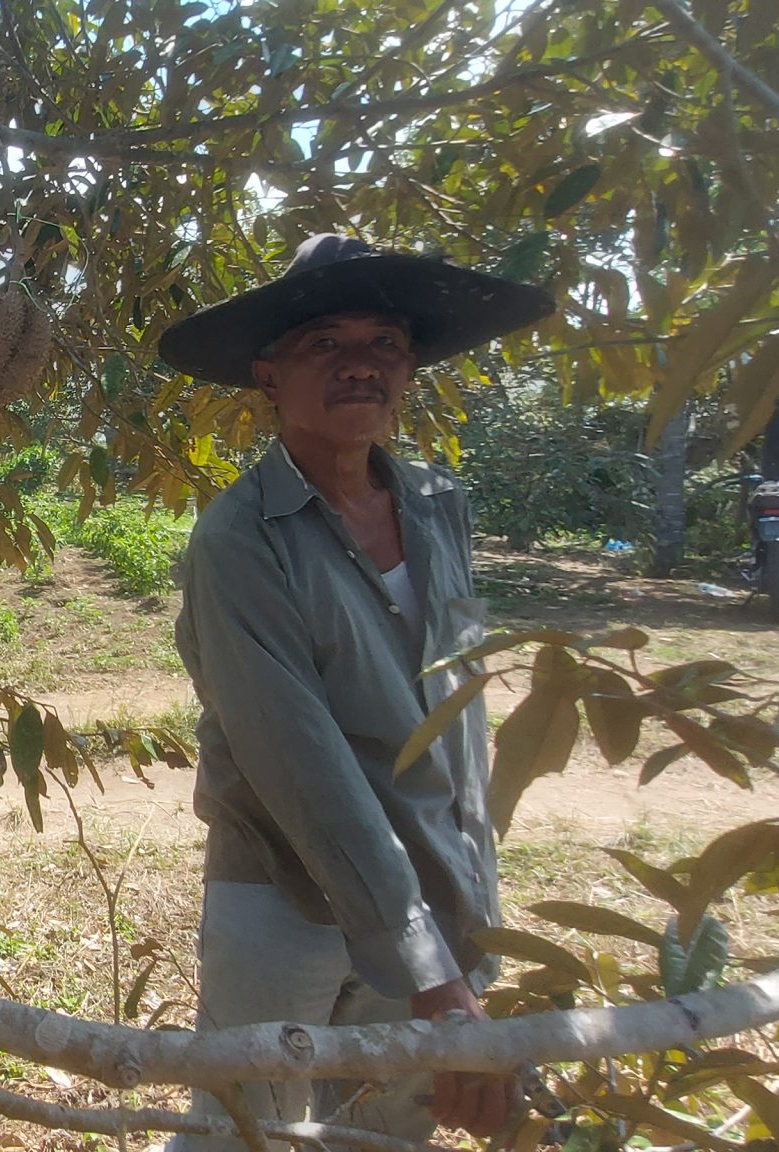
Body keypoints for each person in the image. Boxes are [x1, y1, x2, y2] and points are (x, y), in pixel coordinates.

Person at [153, 234, 557, 1144]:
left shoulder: (439, 504)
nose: (359, 365)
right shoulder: (240, 538)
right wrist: (430, 970)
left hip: (430, 892)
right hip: (286, 894)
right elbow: (301, 764)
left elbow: (459, 721)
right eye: (325, 343)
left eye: (384, 344)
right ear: (270, 376)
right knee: (243, 1130)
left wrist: (464, 907)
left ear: (408, 369)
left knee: (380, 1133)